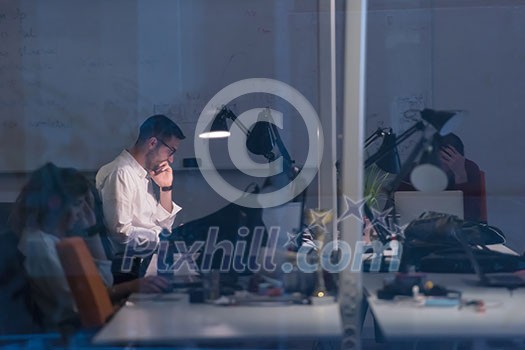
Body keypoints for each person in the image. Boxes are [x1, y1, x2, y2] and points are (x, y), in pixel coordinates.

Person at [10, 163, 170, 331]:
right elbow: (79, 302)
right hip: (71, 335)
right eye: (78, 203)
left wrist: (92, 230)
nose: (83, 211)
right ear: (55, 204)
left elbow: (103, 284)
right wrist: (131, 287)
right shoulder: (39, 246)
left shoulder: (57, 241)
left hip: (83, 327)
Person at [96, 115, 185, 282]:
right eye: (171, 151)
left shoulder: (142, 175)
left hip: (144, 263)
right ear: (152, 143)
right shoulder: (121, 173)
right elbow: (121, 235)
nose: (171, 159)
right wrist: (162, 238)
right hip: (127, 270)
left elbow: (162, 227)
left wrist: (165, 189)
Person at [400, 133, 483, 222]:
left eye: (448, 158)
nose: (443, 164)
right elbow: (398, 207)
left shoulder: (469, 169)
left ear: (459, 159)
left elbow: (472, 216)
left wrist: (460, 176)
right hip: (420, 228)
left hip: (458, 230)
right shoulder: (415, 171)